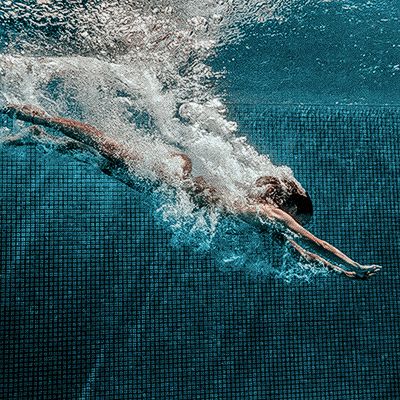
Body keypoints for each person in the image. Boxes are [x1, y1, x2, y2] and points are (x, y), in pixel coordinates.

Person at [1, 103, 382, 280]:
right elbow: (312, 242)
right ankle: (30, 113)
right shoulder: (269, 215)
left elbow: (299, 251)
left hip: (168, 185)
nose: (295, 224)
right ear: (288, 206)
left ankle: (35, 135)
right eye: (298, 216)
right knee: (104, 146)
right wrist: (352, 264)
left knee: (103, 160)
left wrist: (340, 273)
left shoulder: (260, 217)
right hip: (168, 176)